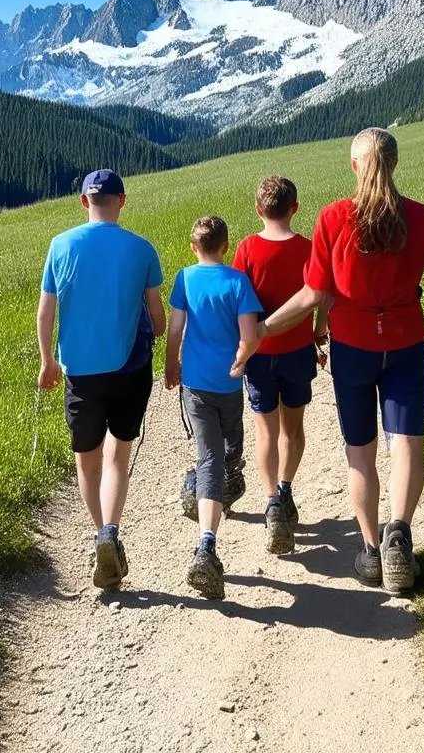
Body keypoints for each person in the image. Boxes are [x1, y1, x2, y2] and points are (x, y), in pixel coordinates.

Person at [236, 129, 424, 594]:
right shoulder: (420, 216)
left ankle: (372, 551)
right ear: (394, 164)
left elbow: (314, 294)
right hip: (407, 342)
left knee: (361, 450)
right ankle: (401, 535)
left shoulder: (334, 218)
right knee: (407, 442)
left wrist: (262, 330)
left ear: (355, 166)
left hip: (353, 348)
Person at [37, 169, 165, 591]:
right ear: (122, 201)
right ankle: (111, 530)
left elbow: (45, 313)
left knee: (87, 461)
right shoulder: (142, 249)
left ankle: (102, 534)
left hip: (80, 372)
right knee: (117, 457)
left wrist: (47, 363)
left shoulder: (60, 245)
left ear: (83, 202)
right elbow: (157, 318)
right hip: (130, 369)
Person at [165, 215, 262, 599]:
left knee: (212, 456)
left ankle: (203, 504)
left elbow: (175, 329)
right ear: (226, 246)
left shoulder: (184, 279)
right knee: (225, 453)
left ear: (194, 247)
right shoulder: (238, 281)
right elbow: (249, 334)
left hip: (196, 384)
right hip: (228, 384)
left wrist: (172, 364)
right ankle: (207, 534)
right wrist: (240, 362)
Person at [232, 175, 327, 555]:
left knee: (266, 432)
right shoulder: (308, 249)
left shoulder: (247, 249)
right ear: (296, 208)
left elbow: (239, 302)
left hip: (258, 355)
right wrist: (320, 330)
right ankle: (286, 490)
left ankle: (271, 499)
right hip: (298, 351)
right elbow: (323, 296)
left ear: (258, 209)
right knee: (294, 429)